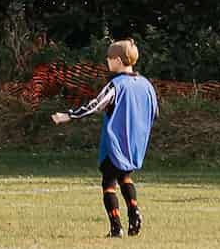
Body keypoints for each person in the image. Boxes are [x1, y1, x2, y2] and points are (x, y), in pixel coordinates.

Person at [52, 38, 157, 237]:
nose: (107, 62)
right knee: (124, 176)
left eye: (109, 58)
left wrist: (69, 115)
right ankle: (134, 213)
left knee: (108, 183)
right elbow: (154, 112)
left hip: (115, 142)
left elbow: (94, 105)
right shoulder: (146, 84)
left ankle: (116, 228)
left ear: (117, 60)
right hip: (134, 143)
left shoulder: (116, 85)